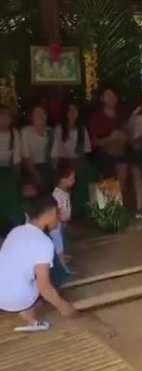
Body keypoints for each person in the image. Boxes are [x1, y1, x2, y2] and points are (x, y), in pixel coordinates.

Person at [0, 195, 76, 332]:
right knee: (44, 281)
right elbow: (43, 286)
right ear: (51, 212)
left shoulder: (15, 231)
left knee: (18, 274)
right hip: (17, 299)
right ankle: (29, 315)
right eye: (57, 213)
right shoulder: (44, 242)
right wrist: (63, 306)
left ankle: (28, 315)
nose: (58, 217)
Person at [55, 102, 96, 217]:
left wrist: (80, 161)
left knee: (91, 174)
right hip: (65, 162)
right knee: (70, 176)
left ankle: (90, 210)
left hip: (80, 161)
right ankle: (72, 212)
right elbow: (59, 152)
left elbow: (86, 151)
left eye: (75, 111)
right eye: (70, 111)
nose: (72, 113)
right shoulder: (60, 129)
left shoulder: (82, 129)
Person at [89, 87, 129, 201]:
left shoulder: (121, 116)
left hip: (120, 152)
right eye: (108, 96)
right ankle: (108, 206)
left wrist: (122, 137)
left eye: (113, 96)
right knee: (106, 165)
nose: (111, 98)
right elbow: (94, 142)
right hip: (102, 152)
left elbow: (127, 136)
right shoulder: (96, 118)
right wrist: (109, 139)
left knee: (123, 165)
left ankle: (119, 203)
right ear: (102, 99)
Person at [21, 105, 58, 191]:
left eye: (43, 113)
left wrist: (54, 174)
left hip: (47, 166)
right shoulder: (25, 132)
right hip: (30, 167)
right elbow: (26, 158)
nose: (40, 116)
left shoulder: (51, 133)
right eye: (37, 114)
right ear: (32, 118)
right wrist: (35, 174)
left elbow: (54, 159)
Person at [49, 163, 76, 272]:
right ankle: (63, 268)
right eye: (71, 178)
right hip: (57, 225)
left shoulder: (64, 192)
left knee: (63, 244)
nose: (73, 180)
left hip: (62, 224)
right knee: (59, 245)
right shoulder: (56, 194)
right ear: (62, 180)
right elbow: (57, 211)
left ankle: (62, 259)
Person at [0, 104, 22, 233]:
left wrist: (17, 178)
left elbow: (16, 160)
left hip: (8, 171)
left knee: (10, 191)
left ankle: (12, 226)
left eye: (6, 116)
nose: (3, 119)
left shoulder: (14, 134)